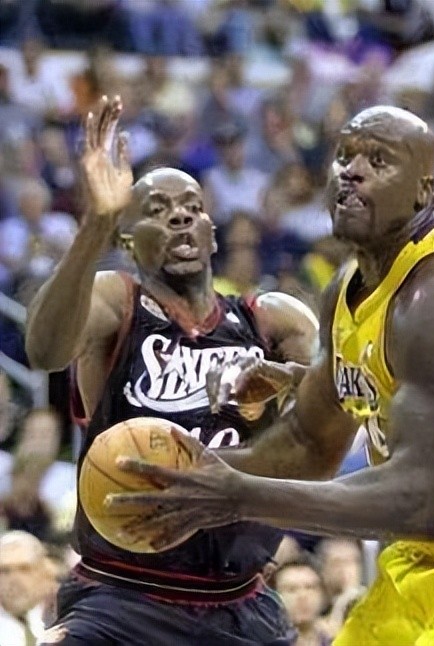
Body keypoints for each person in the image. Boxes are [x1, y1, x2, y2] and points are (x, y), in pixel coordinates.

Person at [107, 105, 434, 646]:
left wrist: (238, 495)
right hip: (426, 563)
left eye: (379, 160)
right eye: (344, 156)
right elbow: (307, 442)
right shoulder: (345, 290)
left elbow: (422, 502)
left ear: (424, 191)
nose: (352, 171)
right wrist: (179, 476)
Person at [25, 96, 319, 645]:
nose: (179, 215)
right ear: (128, 239)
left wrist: (287, 383)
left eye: (191, 206)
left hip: (238, 599)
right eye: (157, 209)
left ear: (211, 231)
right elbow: (43, 350)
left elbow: (343, 408)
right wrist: (96, 224)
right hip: (122, 597)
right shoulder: (116, 301)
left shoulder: (275, 320)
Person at [0, 530, 54, 645]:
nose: (14, 580)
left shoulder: (66, 619)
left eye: (24, 569)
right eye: (4, 571)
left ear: (44, 572)